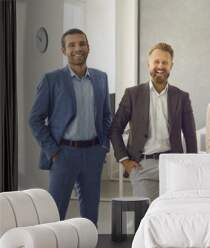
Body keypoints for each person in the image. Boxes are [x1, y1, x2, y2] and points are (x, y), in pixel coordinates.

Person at [29, 28, 112, 225]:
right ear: (63, 51)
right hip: (63, 154)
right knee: (56, 212)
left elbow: (107, 115)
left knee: (91, 215)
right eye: (72, 45)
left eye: (81, 44)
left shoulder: (101, 78)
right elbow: (35, 119)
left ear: (88, 47)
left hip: (93, 153)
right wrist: (53, 151)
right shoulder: (52, 80)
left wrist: (103, 146)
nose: (78, 48)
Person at [110, 42, 197, 201]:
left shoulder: (181, 97)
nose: (160, 66)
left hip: (173, 165)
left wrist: (191, 165)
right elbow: (115, 129)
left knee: (173, 213)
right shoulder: (132, 94)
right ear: (149, 64)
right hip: (142, 166)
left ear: (171, 65)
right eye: (156, 61)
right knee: (147, 214)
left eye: (165, 62)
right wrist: (125, 161)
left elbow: (190, 135)